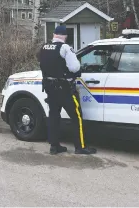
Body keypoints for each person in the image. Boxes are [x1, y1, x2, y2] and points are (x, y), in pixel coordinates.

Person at [38, 25, 96, 155]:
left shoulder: (44, 48)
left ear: (54, 35)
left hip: (49, 87)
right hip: (64, 89)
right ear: (65, 36)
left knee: (53, 116)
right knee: (77, 117)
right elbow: (75, 68)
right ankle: (80, 147)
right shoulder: (65, 48)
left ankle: (54, 146)